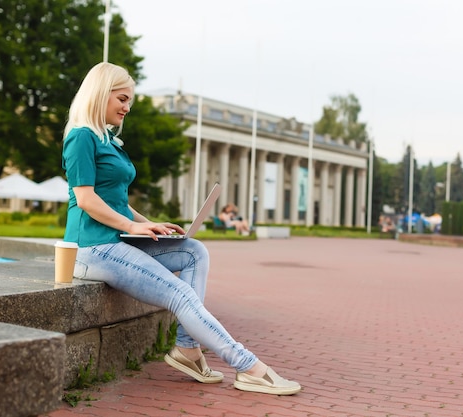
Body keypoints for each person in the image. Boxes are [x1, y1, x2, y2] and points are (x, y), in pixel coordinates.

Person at [61, 62, 300, 395]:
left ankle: (187, 349)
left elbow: (115, 200)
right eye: (122, 98)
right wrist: (131, 225)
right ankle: (248, 367)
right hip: (92, 247)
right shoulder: (80, 137)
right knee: (180, 294)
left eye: (130, 100)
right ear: (100, 94)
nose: (127, 107)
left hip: (117, 239)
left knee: (193, 251)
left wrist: (148, 225)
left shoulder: (107, 140)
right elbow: (85, 199)